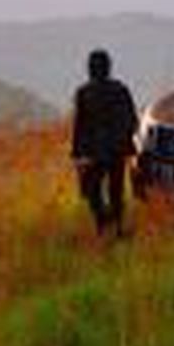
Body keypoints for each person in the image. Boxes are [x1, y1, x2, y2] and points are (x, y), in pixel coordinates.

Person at [72, 49, 139, 236]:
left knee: (93, 192)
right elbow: (132, 121)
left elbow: (79, 125)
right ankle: (115, 228)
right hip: (115, 150)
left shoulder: (84, 92)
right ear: (109, 67)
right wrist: (124, 141)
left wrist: (77, 154)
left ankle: (104, 226)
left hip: (94, 152)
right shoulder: (120, 89)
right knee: (114, 191)